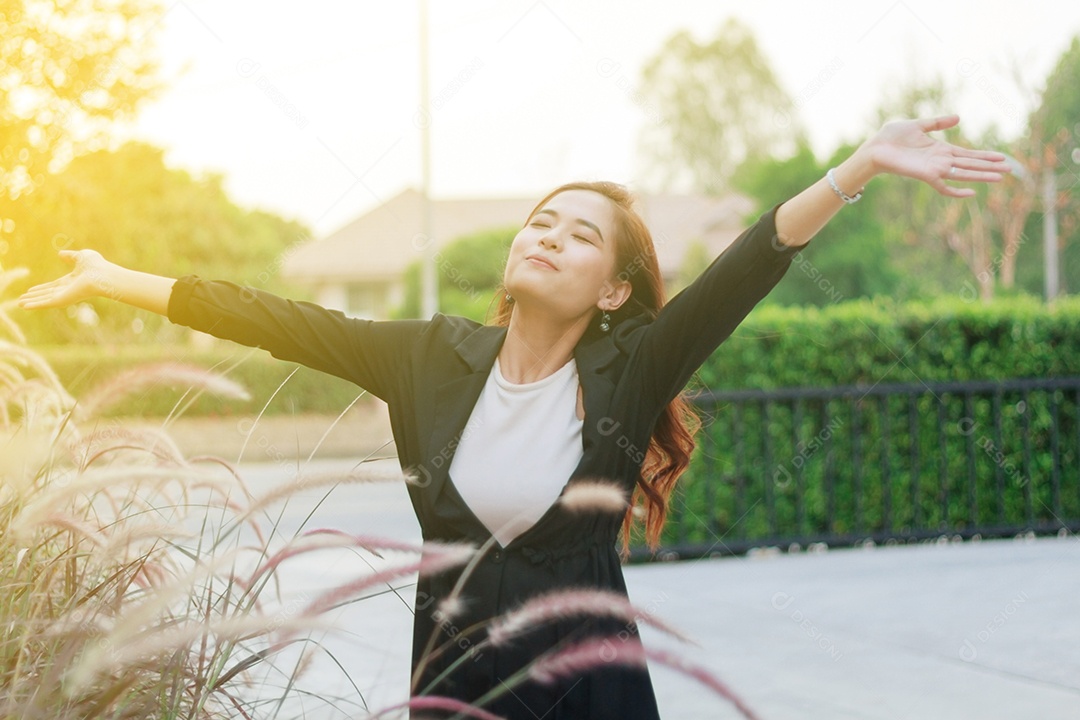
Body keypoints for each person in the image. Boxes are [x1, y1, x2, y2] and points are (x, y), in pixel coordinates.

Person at [19, 115, 1009, 719]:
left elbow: (750, 262)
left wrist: (862, 168)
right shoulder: (430, 358)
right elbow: (276, 319)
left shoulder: (632, 369)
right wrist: (117, 276)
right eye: (543, 219)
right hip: (455, 683)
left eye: (581, 235)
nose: (548, 236)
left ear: (612, 290)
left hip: (591, 690)